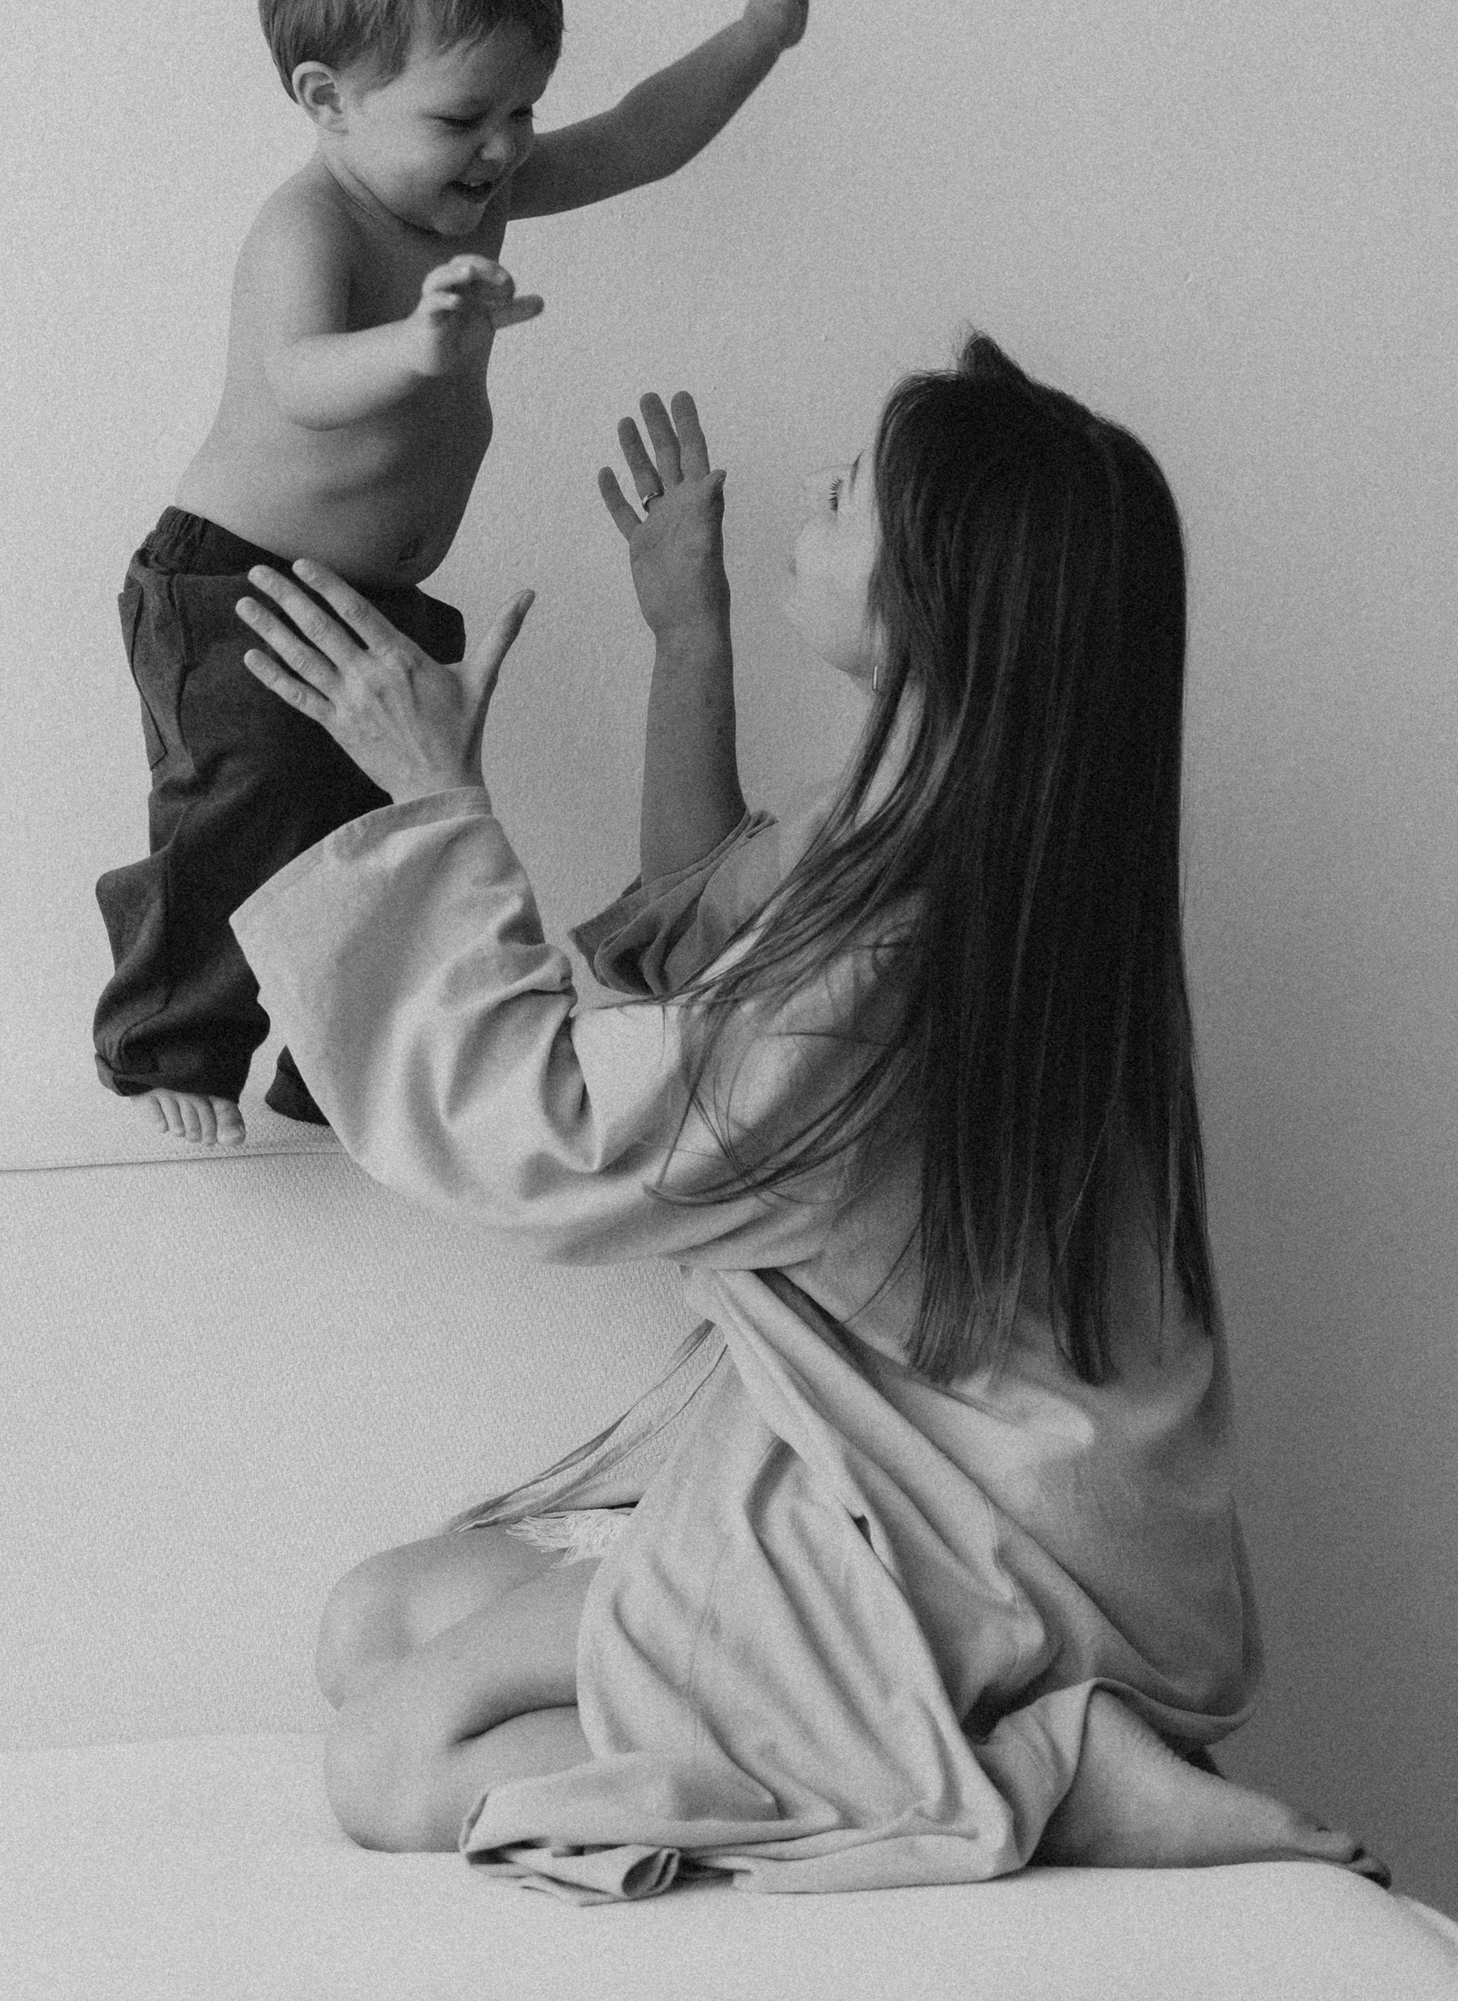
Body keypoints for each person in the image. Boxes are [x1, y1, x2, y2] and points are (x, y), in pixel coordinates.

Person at [226, 343, 1389, 1899]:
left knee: (391, 1760)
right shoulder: (934, 855)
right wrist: (685, 630)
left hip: (983, 1549)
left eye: (863, 491)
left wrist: (437, 800)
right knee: (371, 1623)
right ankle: (944, 1726)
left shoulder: (893, 959)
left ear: (933, 602)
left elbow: (574, 1131)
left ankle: (1050, 1766)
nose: (826, 487)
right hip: (954, 1488)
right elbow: (704, 939)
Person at [91, 0, 835, 1137]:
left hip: (372, 597)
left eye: (524, 111)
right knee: (242, 812)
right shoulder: (309, 226)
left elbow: (639, 139)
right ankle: (171, 1045)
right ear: (327, 99)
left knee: (379, 833)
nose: (503, 149)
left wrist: (756, 35)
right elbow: (298, 375)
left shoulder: (478, 192)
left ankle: (332, 1061)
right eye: (463, 119)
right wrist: (416, 347)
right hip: (234, 587)